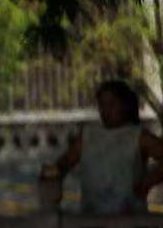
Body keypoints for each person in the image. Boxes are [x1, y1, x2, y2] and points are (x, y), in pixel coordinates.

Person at [45, 79, 163, 216]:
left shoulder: (139, 136)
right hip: (92, 219)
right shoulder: (88, 137)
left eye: (112, 104)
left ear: (125, 105)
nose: (106, 110)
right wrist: (51, 175)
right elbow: (63, 164)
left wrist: (146, 183)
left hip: (130, 219)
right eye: (102, 105)